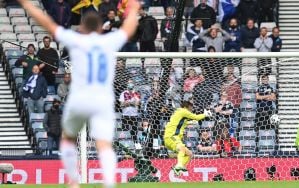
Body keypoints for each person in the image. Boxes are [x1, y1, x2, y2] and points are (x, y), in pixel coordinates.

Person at [17, 1, 140, 188]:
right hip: (103, 99)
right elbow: (130, 27)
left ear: (82, 27)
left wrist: (27, 4)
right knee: (104, 145)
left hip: (79, 98)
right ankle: (109, 183)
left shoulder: (76, 39)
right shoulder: (110, 40)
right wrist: (134, 8)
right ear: (100, 28)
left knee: (67, 138)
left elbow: (46, 22)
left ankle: (74, 182)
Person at [164, 100, 212, 176]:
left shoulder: (179, 114)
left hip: (171, 138)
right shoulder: (183, 111)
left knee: (189, 154)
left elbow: (183, 123)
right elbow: (196, 117)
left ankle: (178, 169)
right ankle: (179, 166)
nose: (191, 110)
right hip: (171, 136)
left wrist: (192, 122)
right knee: (182, 148)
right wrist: (205, 114)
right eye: (191, 108)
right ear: (187, 107)